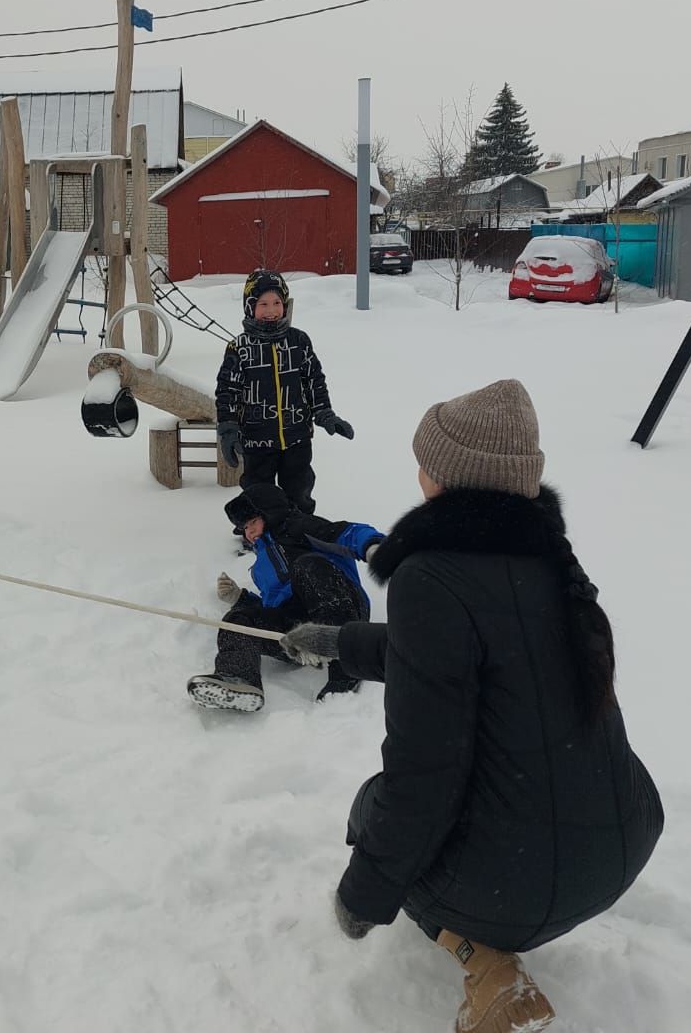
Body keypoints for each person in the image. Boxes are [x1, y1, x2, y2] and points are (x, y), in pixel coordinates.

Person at [278, 379, 663, 1033]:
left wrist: (365, 896)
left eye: (427, 462)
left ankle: (487, 966)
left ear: (452, 480)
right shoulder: (548, 560)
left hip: (517, 884)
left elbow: (422, 776)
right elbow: (461, 649)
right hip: (621, 846)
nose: (418, 472)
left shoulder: (432, 577)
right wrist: (341, 644)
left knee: (373, 807)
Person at [186, 481, 382, 713]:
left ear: (268, 513)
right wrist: (240, 600)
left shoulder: (297, 527)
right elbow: (272, 606)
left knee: (305, 566)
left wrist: (373, 545)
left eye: (251, 523)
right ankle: (238, 678)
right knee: (239, 618)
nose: (248, 533)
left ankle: (345, 670)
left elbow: (343, 532)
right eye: (244, 529)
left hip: (339, 605)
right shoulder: (260, 567)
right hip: (298, 631)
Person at [214, 270, 353, 516]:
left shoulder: (299, 341)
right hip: (256, 440)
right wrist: (228, 428)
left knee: (299, 489)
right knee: (258, 493)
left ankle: (300, 527)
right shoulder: (240, 347)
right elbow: (228, 391)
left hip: (297, 437)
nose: (271, 310)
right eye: (263, 304)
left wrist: (325, 414)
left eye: (277, 303)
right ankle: (257, 534)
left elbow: (314, 381)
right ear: (250, 307)